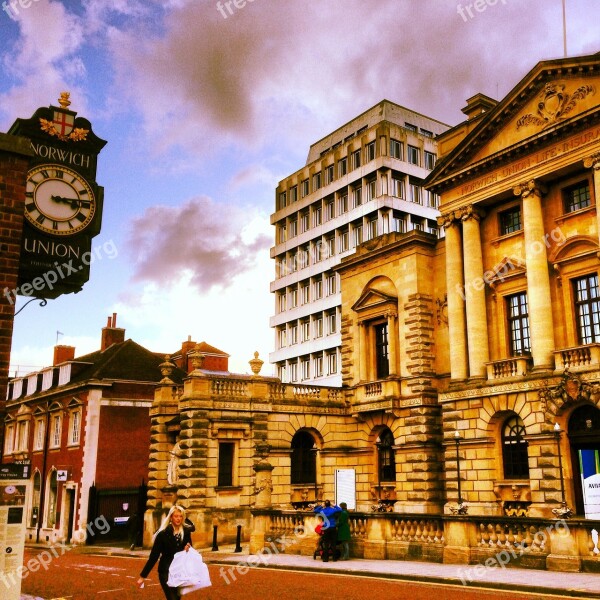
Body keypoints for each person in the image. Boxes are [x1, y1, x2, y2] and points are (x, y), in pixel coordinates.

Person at [137, 505, 192, 599]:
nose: (179, 519)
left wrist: (188, 549)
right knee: (172, 598)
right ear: (171, 517)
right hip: (165, 571)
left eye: (180, 516)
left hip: (179, 571)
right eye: (176, 516)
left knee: (177, 598)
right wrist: (143, 576)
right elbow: (154, 557)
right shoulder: (162, 535)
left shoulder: (186, 532)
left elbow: (190, 550)